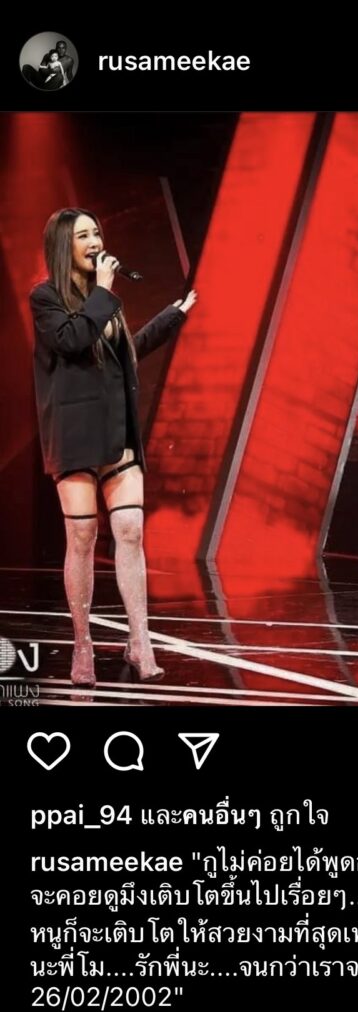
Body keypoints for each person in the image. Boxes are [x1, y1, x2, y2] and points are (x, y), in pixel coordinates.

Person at [31, 208, 197, 686]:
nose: (95, 241)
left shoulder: (108, 305)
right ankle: (82, 642)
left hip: (116, 431)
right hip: (74, 434)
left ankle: (140, 640)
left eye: (97, 232)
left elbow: (127, 355)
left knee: (129, 529)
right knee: (82, 537)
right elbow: (73, 341)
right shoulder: (46, 298)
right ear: (64, 246)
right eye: (83, 235)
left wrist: (171, 318)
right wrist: (103, 291)